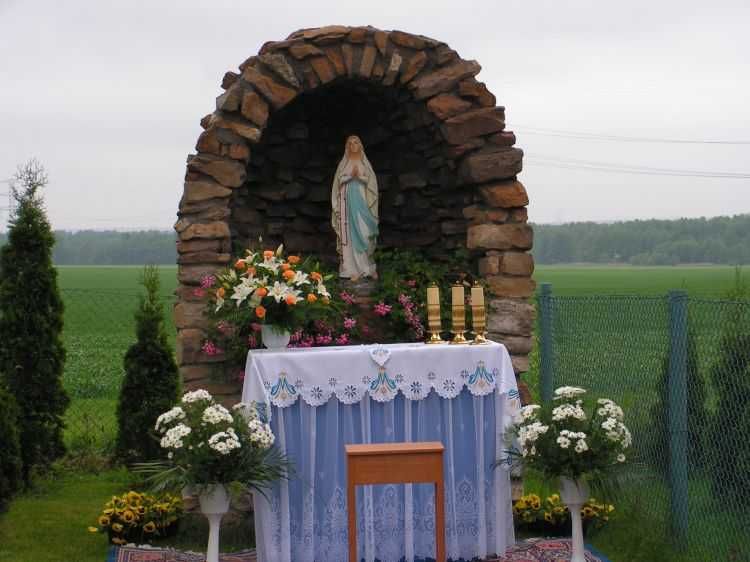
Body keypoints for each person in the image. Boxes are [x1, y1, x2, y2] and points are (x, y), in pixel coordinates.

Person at [330, 135, 379, 280]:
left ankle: (367, 267)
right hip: (347, 205)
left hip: (362, 203)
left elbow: (371, 183)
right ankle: (350, 269)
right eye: (350, 143)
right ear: (347, 147)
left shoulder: (365, 163)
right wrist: (350, 176)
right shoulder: (344, 164)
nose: (353, 145)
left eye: (356, 142)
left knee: (365, 233)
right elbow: (338, 183)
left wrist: (360, 177)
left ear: (360, 145)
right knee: (349, 235)